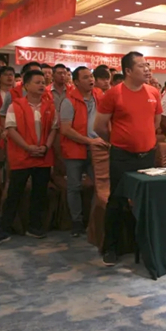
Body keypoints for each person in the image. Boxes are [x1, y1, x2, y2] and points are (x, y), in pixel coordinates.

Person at [94, 52, 162, 266]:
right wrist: (117, 142)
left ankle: (143, 245)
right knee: (117, 200)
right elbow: (99, 126)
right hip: (122, 157)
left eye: (147, 65)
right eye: (141, 66)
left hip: (147, 156)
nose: (147, 69)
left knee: (145, 201)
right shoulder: (114, 94)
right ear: (128, 71)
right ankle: (111, 247)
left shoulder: (153, 92)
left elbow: (156, 123)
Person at [0, 69, 58, 245]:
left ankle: (34, 227)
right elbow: (10, 129)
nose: (42, 85)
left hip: (43, 156)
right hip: (22, 156)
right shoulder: (16, 105)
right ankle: (3, 229)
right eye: (37, 82)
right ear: (26, 86)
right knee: (14, 193)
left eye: (43, 83)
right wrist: (28, 147)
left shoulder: (50, 106)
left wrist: (45, 147)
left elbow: (53, 129)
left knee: (39, 194)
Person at [60, 66, 106, 237]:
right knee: (74, 187)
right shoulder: (68, 101)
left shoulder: (99, 97)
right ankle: (77, 222)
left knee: (100, 186)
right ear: (76, 82)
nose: (91, 80)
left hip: (97, 148)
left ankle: (94, 220)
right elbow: (65, 129)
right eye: (86, 77)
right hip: (75, 149)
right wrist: (89, 141)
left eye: (91, 76)